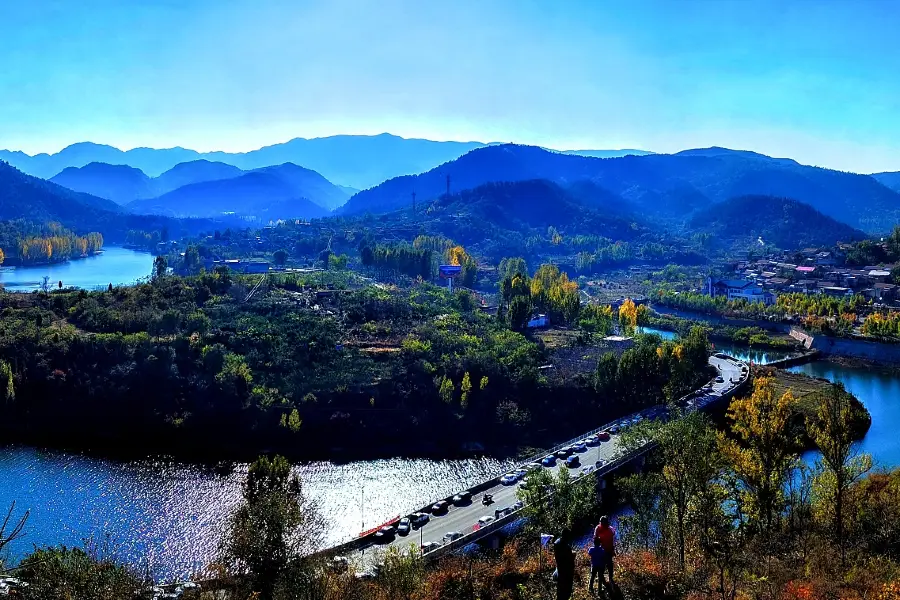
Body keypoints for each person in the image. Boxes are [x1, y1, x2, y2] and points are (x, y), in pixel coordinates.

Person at [594, 515, 616, 585]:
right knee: (601, 566)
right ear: (600, 522)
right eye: (602, 523)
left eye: (605, 522)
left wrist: (613, 549)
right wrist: (597, 549)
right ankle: (602, 580)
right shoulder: (598, 528)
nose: (604, 524)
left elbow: (614, 539)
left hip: (609, 550)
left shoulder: (611, 529)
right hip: (601, 551)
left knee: (610, 565)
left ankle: (610, 579)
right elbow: (595, 539)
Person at [553, 529, 575, 600]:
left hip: (559, 568)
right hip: (566, 572)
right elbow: (570, 558)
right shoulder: (566, 547)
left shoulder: (557, 542)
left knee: (560, 591)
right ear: (566, 536)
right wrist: (573, 554)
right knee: (566, 592)